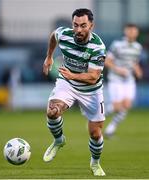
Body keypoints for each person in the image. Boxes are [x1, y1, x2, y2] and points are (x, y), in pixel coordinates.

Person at [43, 8, 106, 176]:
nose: (78, 30)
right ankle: (58, 140)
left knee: (95, 133)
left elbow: (93, 77)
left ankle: (95, 163)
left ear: (91, 25)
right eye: (75, 25)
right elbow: (53, 36)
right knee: (52, 111)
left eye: (83, 25)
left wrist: (73, 74)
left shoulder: (98, 47)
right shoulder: (64, 34)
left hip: (91, 90)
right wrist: (49, 56)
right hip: (68, 83)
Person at [104, 23, 143, 137]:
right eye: (130, 31)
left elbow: (134, 62)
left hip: (129, 79)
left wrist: (138, 70)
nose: (132, 33)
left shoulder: (137, 47)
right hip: (115, 79)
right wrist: (118, 69)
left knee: (126, 105)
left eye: (134, 31)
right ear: (125, 32)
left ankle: (110, 129)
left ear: (137, 33)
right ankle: (98, 116)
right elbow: (107, 61)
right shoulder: (117, 45)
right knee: (116, 107)